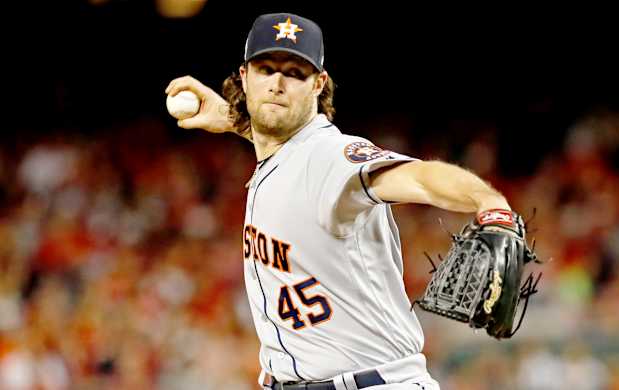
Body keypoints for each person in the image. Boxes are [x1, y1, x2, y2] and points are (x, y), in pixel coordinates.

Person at [165, 12, 511, 390]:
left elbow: (419, 178)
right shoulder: (286, 157)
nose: (278, 83)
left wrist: (487, 201)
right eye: (266, 69)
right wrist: (234, 118)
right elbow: (284, 151)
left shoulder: (333, 155)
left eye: (295, 74)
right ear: (244, 77)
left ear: (319, 84)